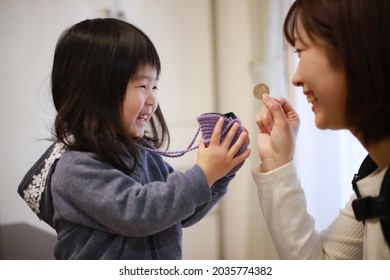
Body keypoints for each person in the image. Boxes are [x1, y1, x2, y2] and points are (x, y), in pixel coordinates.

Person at [17, 18, 250, 260]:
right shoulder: (75, 169)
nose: (152, 100)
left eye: (155, 86)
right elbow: (141, 213)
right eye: (142, 85)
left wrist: (220, 174)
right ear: (95, 93)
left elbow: (181, 211)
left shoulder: (145, 155)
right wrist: (204, 173)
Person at [252, 0, 390, 259]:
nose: (296, 77)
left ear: (357, 49)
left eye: (301, 52)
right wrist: (276, 161)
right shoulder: (373, 174)